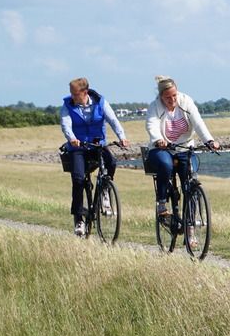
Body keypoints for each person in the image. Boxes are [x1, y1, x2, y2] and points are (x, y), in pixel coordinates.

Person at [60, 77, 129, 236]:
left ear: (84, 92)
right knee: (78, 179)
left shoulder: (100, 102)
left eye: (74, 93)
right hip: (78, 147)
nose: (71, 96)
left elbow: (113, 119)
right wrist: (72, 138)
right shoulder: (67, 105)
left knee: (111, 162)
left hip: (97, 145)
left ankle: (105, 189)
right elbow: (65, 125)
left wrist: (122, 137)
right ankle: (79, 219)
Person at [145, 75, 219, 217]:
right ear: (161, 97)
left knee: (190, 183)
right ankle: (162, 202)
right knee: (166, 165)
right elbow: (151, 125)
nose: (172, 100)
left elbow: (198, 123)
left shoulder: (186, 101)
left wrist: (209, 141)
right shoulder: (154, 107)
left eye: (174, 95)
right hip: (162, 149)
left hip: (185, 147)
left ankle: (189, 227)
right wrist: (158, 139)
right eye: (167, 97)